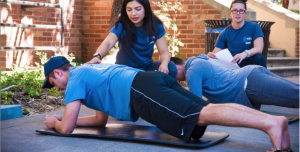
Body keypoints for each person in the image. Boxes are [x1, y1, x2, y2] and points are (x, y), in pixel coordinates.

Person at [42, 56, 292, 151]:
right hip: (149, 81)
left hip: (140, 91)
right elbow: (99, 120)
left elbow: (68, 127)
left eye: (53, 83)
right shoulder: (90, 73)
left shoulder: (74, 78)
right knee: (205, 110)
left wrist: (56, 122)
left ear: (58, 74)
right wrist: (68, 121)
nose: (56, 88)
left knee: (201, 115)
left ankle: (269, 124)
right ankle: (273, 122)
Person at [85, 0, 177, 78]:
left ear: (146, 8)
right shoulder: (121, 25)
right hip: (125, 70)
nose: (133, 14)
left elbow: (164, 52)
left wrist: (164, 64)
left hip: (146, 69)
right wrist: (97, 56)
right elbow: (108, 42)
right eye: (129, 10)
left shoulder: (155, 26)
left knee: (171, 67)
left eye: (138, 9)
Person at [171, 55, 299, 110]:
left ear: (176, 68)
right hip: (253, 72)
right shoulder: (203, 59)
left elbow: (196, 105)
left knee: (295, 97)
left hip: (248, 83)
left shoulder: (192, 70)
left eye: (176, 78)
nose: (180, 81)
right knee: (296, 90)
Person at [207, 0, 266, 68]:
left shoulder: (254, 27)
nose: (238, 13)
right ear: (230, 13)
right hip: (233, 69)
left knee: (259, 58)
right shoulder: (224, 33)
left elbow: (259, 48)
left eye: (241, 11)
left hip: (251, 67)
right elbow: (216, 53)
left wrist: (245, 53)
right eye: (235, 10)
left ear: (245, 13)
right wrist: (211, 55)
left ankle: (259, 79)